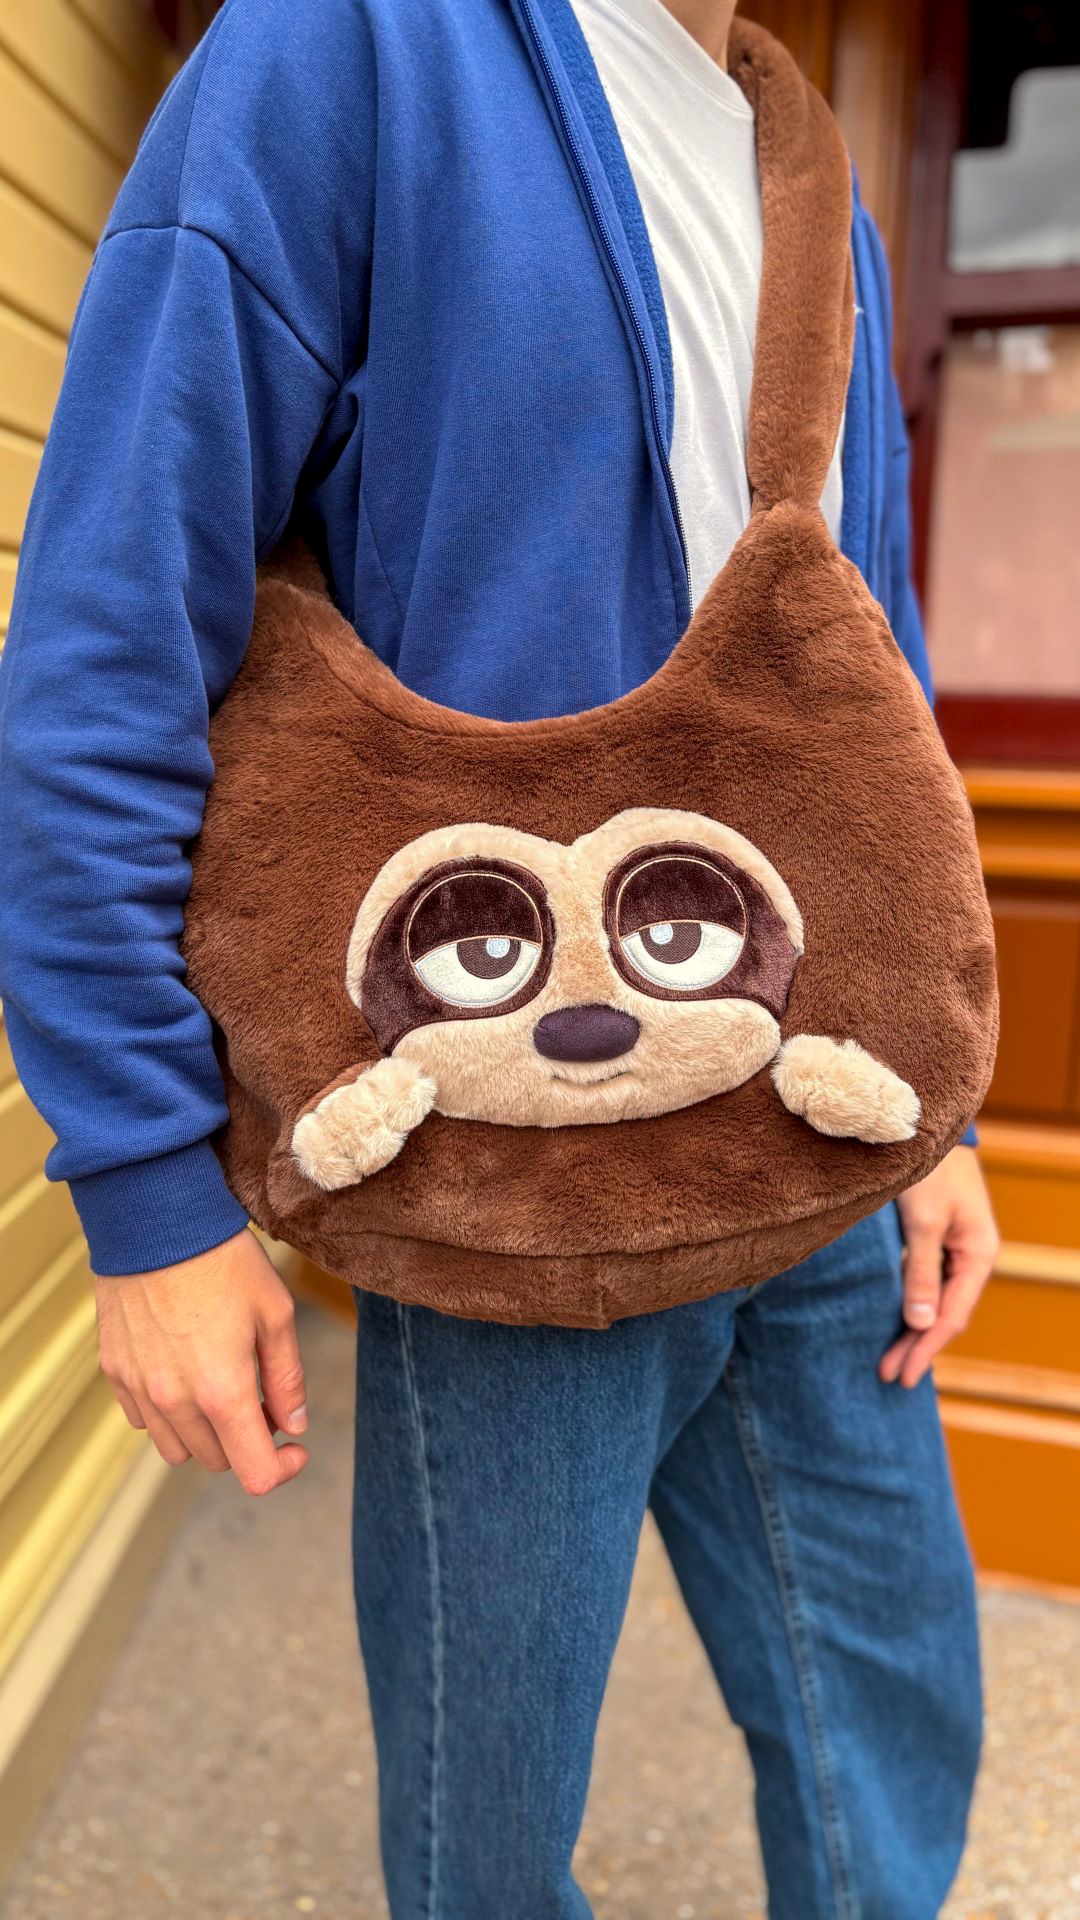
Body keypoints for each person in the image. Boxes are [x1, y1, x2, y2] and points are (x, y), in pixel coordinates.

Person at [0, 0, 1000, 1912]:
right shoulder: (347, 50)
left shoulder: (804, 172)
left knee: (889, 1707)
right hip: (505, 1169)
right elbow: (115, 631)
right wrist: (145, 1186)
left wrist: (938, 1108)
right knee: (493, 1817)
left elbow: (867, 673)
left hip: (817, 1110)